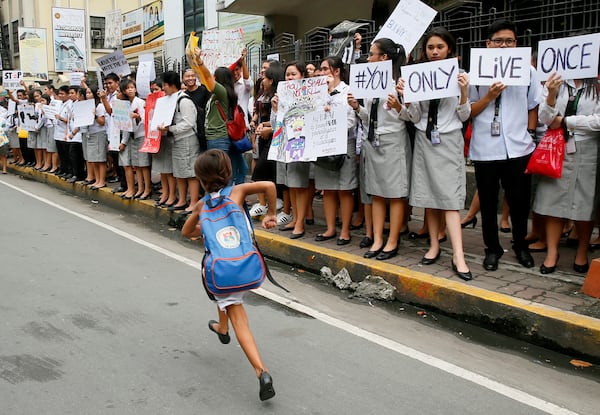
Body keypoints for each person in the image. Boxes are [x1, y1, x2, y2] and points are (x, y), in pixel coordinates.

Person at [181, 149, 277, 402]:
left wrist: (201, 227)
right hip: (247, 264)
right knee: (223, 299)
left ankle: (261, 371)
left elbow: (186, 232)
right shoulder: (238, 192)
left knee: (236, 314)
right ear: (228, 172)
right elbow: (268, 185)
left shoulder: (203, 205)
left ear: (201, 180)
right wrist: (270, 213)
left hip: (222, 271)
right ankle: (222, 328)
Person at [468, 19, 542, 271]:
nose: (503, 45)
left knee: (520, 202)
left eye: (509, 41)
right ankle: (492, 249)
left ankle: (520, 245)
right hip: (485, 149)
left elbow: (533, 106)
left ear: (516, 44)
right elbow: (469, 111)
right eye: (498, 41)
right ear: (488, 44)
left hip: (519, 147)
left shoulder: (529, 72)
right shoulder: (475, 73)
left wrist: (530, 134)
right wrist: (490, 96)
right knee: (488, 204)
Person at [401, 27, 472, 280]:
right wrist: (406, 98)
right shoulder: (417, 76)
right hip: (424, 139)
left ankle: (459, 256)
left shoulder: (461, 76)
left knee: (450, 199)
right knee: (430, 197)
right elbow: (413, 117)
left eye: (439, 47)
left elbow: (464, 116)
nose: (434, 52)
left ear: (449, 49)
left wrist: (463, 93)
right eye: (430, 47)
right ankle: (433, 246)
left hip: (449, 140)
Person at [349, 38, 410, 260]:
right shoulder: (367, 84)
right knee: (375, 193)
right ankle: (376, 239)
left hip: (393, 141)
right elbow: (367, 118)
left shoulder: (399, 83)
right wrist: (357, 108)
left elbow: (410, 117)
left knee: (394, 194)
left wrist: (399, 106)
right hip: (372, 140)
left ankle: (392, 241)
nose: (369, 57)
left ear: (384, 57)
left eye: (372, 53)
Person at [533, 73, 599, 274]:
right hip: (556, 146)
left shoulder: (596, 84)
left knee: (584, 202)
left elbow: (597, 121)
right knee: (553, 201)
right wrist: (552, 94)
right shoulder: (555, 81)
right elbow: (544, 117)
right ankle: (552, 253)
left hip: (587, 147)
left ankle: (581, 251)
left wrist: (565, 121)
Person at [313, 56, 358, 245]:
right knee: (328, 188)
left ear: (336, 71)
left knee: (344, 189)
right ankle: (330, 228)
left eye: (325, 69)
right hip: (323, 144)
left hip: (344, 143)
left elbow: (351, 120)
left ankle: (345, 230)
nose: (321, 73)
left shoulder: (347, 91)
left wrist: (331, 94)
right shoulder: (316, 93)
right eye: (321, 69)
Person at [271, 61, 313, 238]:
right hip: (284, 144)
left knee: (300, 184)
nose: (289, 77)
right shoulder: (282, 96)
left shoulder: (310, 95)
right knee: (292, 185)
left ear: (302, 76)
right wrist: (275, 109)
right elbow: (276, 125)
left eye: (293, 74)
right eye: (287, 74)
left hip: (301, 143)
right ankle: (296, 218)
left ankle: (300, 223)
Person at [157, 71, 200, 213]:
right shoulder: (170, 100)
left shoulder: (184, 101)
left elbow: (188, 123)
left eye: (165, 85)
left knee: (190, 172)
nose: (163, 89)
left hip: (187, 140)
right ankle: (181, 199)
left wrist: (170, 129)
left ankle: (193, 202)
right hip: (176, 140)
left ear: (172, 85)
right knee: (179, 172)